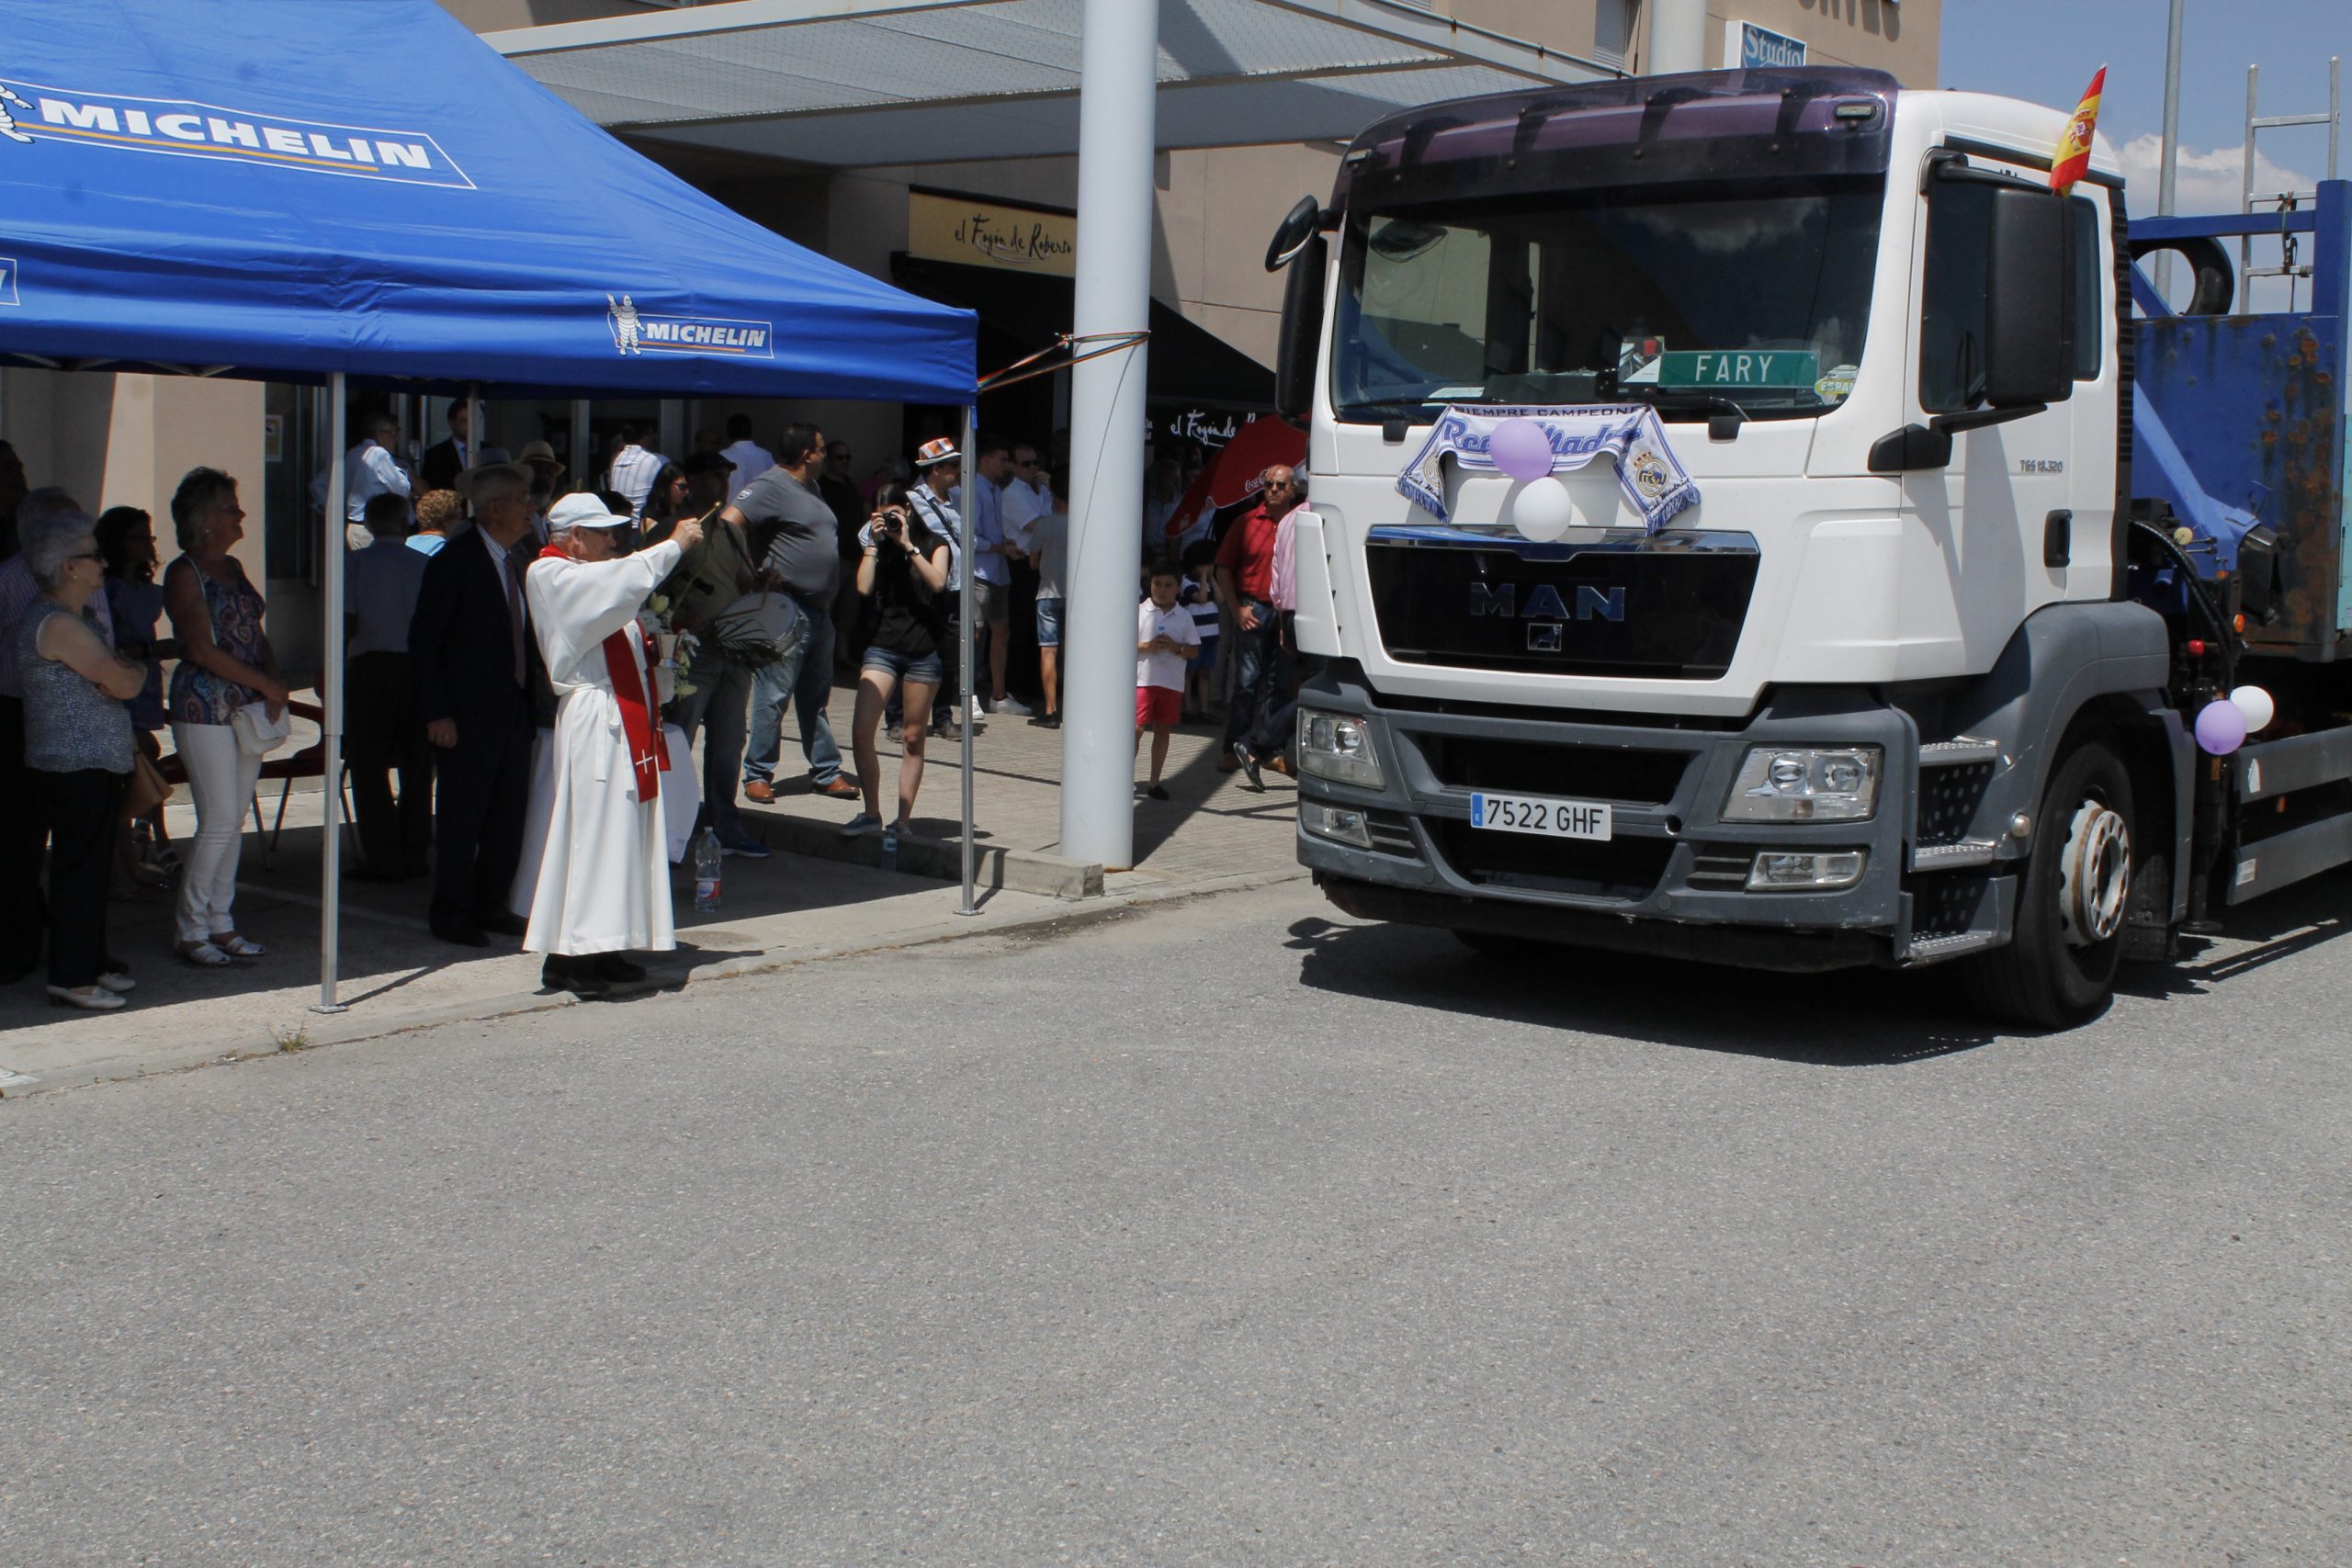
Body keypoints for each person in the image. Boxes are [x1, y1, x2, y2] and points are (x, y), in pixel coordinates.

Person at [522, 494, 702, 997]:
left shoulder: (589, 577)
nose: (613, 540)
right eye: (603, 532)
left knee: (619, 832)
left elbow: (616, 595)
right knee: (594, 833)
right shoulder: (551, 574)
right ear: (575, 537)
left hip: (620, 713)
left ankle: (606, 944)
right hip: (596, 717)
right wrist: (671, 546)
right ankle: (573, 954)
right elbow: (617, 582)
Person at [17, 506, 144, 1010]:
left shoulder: (72, 619)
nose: (103, 564)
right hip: (75, 765)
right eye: (94, 556)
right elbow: (123, 681)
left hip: (87, 763)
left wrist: (120, 671)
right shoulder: (58, 623)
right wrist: (128, 672)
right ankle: (73, 978)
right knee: (80, 872)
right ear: (69, 567)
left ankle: (89, 964)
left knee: (91, 870)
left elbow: (116, 675)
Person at [410, 462, 539, 947]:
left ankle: (491, 902)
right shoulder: (455, 560)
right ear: (495, 508)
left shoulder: (518, 558)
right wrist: (437, 711)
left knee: (507, 813)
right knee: (463, 816)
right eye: (522, 499)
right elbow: (425, 641)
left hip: (512, 707)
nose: (531, 508)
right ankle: (451, 910)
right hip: (466, 713)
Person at [162, 468, 286, 968]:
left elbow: (255, 632)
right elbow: (199, 647)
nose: (240, 515)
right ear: (205, 517)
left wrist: (271, 678)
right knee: (217, 818)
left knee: (233, 818)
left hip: (246, 707)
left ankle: (220, 919)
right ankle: (191, 927)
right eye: (230, 508)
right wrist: (266, 684)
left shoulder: (233, 566)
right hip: (204, 707)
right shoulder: (184, 572)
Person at [643, 452, 770, 857]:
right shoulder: (672, 530)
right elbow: (645, 586)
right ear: (692, 482)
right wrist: (676, 618)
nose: (723, 485)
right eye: (716, 477)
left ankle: (723, 826)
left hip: (733, 650)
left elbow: (743, 581)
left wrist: (763, 582)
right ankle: (669, 828)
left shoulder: (731, 532)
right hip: (691, 653)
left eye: (726, 477)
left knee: (729, 743)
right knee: (680, 738)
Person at [729, 423, 859, 806]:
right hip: (787, 607)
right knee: (772, 695)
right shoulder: (771, 485)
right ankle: (757, 774)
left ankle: (825, 770)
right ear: (807, 455)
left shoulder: (810, 487)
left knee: (815, 697)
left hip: (818, 610)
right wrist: (751, 572)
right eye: (822, 449)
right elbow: (730, 521)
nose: (825, 455)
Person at [844, 483, 951, 843]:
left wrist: (907, 544)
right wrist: (874, 545)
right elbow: (862, 587)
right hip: (884, 647)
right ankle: (871, 812)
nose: (890, 521)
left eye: (895, 514)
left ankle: (903, 820)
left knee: (913, 738)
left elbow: (937, 583)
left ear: (908, 510)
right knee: (862, 730)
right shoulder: (880, 547)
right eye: (882, 516)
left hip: (924, 651)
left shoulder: (934, 543)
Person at [345, 491, 433, 881]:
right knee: (417, 764)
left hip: (371, 666)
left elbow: (348, 621)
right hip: (416, 666)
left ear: (367, 523)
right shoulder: (423, 565)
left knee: (369, 765)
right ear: (405, 522)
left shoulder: (355, 564)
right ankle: (414, 851)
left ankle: (382, 855)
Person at [96, 505, 176, 882]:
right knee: (142, 755)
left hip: (145, 684)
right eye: (138, 537)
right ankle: (155, 836)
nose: (147, 544)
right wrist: (151, 650)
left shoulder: (149, 591)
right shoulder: (108, 590)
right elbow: (112, 647)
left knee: (144, 756)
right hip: (121, 684)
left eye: (149, 536)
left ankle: (144, 835)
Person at [1215, 464, 1302, 770]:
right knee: (1246, 683)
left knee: (1282, 685)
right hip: (1253, 609)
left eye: (1280, 485)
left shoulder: (1301, 523)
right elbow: (1222, 569)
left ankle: (1271, 751)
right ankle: (1233, 748)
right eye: (1268, 484)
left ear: (1293, 490)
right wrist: (1236, 608)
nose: (1273, 489)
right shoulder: (1246, 522)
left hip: (1288, 612)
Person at [956, 435, 1028, 716]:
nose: (1006, 465)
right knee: (974, 632)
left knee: (1001, 631)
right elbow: (969, 537)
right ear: (985, 460)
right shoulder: (973, 490)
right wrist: (1000, 548)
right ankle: (968, 693)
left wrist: (1004, 544)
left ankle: (998, 695)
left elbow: (990, 533)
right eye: (1002, 459)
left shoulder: (996, 490)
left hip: (998, 571)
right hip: (978, 572)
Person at [906, 438, 974, 736]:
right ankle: (901, 718)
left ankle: (943, 717)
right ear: (934, 470)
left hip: (956, 585)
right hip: (925, 586)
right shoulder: (912, 500)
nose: (958, 471)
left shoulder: (959, 498)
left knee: (949, 652)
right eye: (953, 465)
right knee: (915, 648)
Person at [1135, 560, 1199, 801]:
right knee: (1136, 729)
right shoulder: (1139, 611)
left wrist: (1176, 647)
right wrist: (1147, 646)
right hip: (1142, 679)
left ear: (1178, 588)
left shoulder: (1184, 616)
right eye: (1157, 584)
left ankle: (1155, 782)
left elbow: (1193, 650)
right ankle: (1122, 777)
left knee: (1163, 730)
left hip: (1170, 682)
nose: (1161, 590)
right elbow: (1122, 642)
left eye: (1168, 585)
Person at [1027, 468, 1070, 730]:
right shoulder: (1084, 523)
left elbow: (1033, 561)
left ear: (1053, 494)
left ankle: (1050, 709)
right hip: (1076, 595)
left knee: (1048, 650)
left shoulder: (1045, 523)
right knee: (1074, 652)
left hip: (1047, 593)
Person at [343, 412, 413, 550]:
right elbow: (402, 490)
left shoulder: (353, 453)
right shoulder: (379, 454)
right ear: (380, 434)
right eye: (393, 433)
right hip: (371, 529)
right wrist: (400, 469)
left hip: (353, 527)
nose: (396, 439)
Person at [1179, 537, 1221, 726]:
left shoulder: (1209, 582)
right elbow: (1202, 598)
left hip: (1211, 634)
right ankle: (1187, 708)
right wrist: (1204, 577)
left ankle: (1204, 709)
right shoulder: (1186, 582)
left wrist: (1211, 578)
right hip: (1194, 636)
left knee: (1205, 672)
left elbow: (1220, 598)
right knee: (1190, 672)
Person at [606, 425, 668, 521]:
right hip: (644, 524)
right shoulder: (657, 460)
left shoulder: (616, 459)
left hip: (619, 523)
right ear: (644, 438)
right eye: (651, 435)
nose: (654, 439)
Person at [718, 413, 775, 500]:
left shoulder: (722, 457)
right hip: (760, 507)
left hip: (730, 506)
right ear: (750, 431)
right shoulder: (766, 456)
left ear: (728, 433)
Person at [420, 400, 471, 492]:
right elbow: (432, 488)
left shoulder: (487, 450)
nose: (470, 425)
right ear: (452, 423)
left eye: (473, 420)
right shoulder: (435, 454)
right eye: (464, 420)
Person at [410, 487, 460, 557]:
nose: (460, 522)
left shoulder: (406, 543)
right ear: (447, 521)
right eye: (459, 517)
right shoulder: (445, 550)